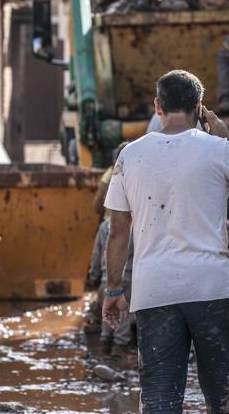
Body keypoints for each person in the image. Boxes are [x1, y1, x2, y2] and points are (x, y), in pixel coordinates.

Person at [102, 70, 229, 412]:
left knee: (159, 399)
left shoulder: (129, 155)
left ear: (158, 107)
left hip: (153, 290)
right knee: (224, 393)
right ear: (199, 108)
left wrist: (113, 291)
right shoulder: (219, 150)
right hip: (209, 289)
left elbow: (118, 229)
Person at [88, 143, 135, 357]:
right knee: (124, 307)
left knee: (110, 300)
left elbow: (98, 206)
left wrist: (94, 275)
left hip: (108, 227)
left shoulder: (111, 173)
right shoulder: (137, 173)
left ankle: (106, 343)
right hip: (129, 234)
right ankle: (120, 346)